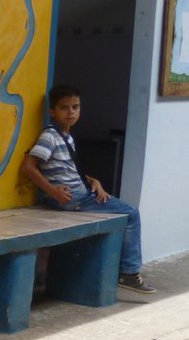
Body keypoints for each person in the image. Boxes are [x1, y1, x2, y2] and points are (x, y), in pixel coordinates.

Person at [20, 83, 156, 297]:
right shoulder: (50, 136)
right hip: (72, 199)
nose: (71, 112)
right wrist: (53, 191)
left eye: (76, 107)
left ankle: (126, 271)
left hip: (79, 194)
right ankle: (129, 273)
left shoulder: (68, 137)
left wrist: (95, 182)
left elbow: (69, 170)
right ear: (52, 111)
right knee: (131, 213)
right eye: (64, 108)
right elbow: (29, 166)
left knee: (124, 211)